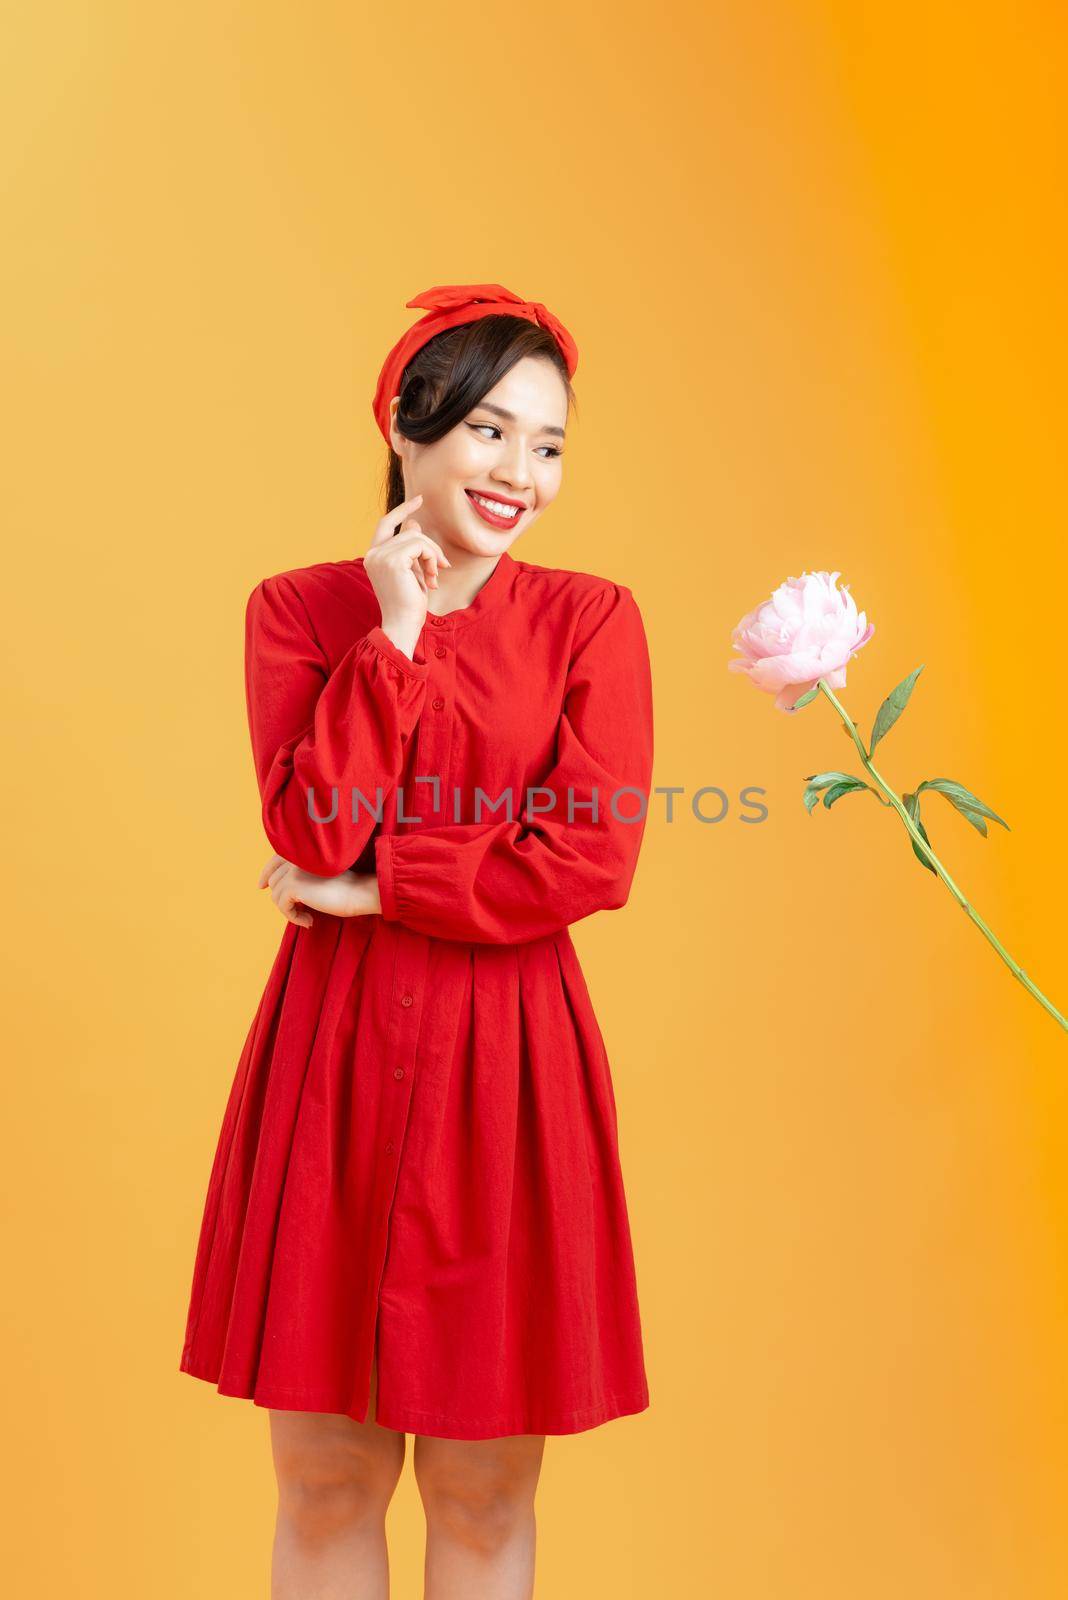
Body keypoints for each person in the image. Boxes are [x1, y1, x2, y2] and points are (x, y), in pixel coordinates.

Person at [179, 284, 655, 1599]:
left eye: (550, 445)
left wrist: (387, 891)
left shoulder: (591, 623)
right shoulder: (299, 610)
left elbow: (591, 860)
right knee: (326, 1478)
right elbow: (313, 830)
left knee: (484, 1488)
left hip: (508, 1066)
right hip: (329, 1062)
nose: (523, 474)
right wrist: (394, 632)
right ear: (409, 427)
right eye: (493, 434)